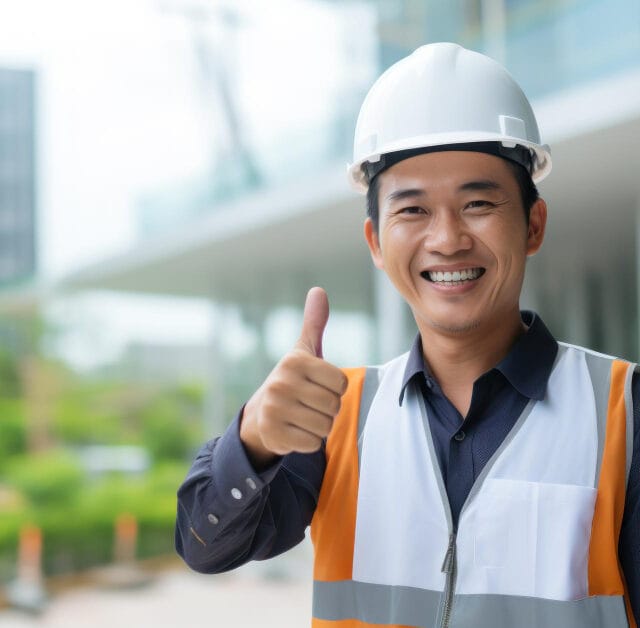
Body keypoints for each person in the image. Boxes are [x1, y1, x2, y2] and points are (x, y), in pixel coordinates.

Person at [175, 42, 640, 627]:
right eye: (413, 210)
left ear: (533, 224)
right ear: (375, 241)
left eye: (477, 203)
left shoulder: (624, 411)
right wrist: (254, 440)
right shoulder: (337, 417)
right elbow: (205, 545)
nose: (446, 239)